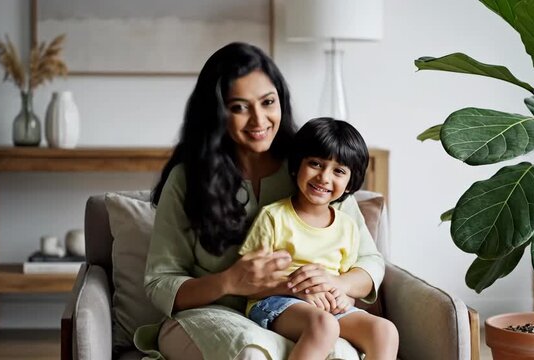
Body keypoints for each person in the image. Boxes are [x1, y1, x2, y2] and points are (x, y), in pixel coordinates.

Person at [136, 42, 385, 360]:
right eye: (239, 107)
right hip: (208, 314)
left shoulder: (313, 168)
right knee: (253, 353)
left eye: (268, 102)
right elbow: (160, 282)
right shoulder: (188, 179)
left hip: (306, 315)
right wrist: (228, 282)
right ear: (216, 113)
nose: (258, 120)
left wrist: (338, 282)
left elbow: (371, 261)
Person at [239, 118, 399, 360]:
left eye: (338, 171)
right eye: (315, 163)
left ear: (349, 184)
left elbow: (346, 279)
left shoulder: (347, 225)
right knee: (324, 326)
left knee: (385, 331)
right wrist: (298, 290)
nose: (324, 177)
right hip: (276, 302)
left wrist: (343, 293)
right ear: (296, 166)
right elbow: (248, 279)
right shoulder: (274, 217)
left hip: (328, 305)